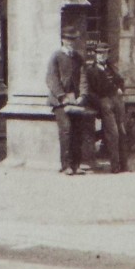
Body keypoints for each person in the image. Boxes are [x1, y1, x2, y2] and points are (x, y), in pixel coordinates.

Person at [45, 27, 93, 175]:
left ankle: (76, 165)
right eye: (68, 39)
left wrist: (82, 96)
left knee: (78, 132)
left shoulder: (78, 58)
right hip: (60, 101)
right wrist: (62, 96)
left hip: (76, 101)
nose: (71, 42)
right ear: (63, 40)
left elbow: (84, 78)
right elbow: (51, 79)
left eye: (73, 40)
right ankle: (66, 165)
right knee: (66, 131)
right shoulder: (56, 56)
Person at [85, 41, 129, 173]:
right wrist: (100, 103)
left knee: (122, 131)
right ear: (95, 54)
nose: (101, 56)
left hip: (117, 101)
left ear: (107, 54)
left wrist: (120, 89)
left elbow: (120, 81)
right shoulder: (91, 70)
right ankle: (115, 166)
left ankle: (124, 165)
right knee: (113, 133)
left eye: (104, 53)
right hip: (104, 102)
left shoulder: (111, 67)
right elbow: (92, 91)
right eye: (99, 53)